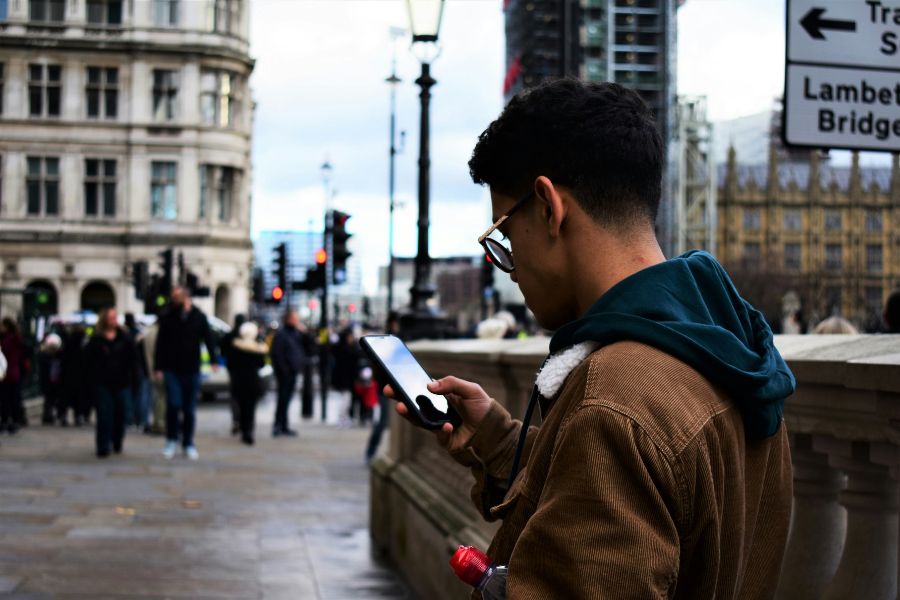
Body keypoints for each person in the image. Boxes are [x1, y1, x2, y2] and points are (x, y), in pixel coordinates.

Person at [388, 80, 796, 597]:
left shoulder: (617, 398)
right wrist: (496, 441)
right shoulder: (729, 348)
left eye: (506, 238)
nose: (510, 269)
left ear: (548, 206)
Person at [154, 286, 218, 460]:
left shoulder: (198, 316)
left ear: (186, 298)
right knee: (174, 405)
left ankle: (188, 442)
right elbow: (161, 343)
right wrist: (158, 367)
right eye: (173, 297)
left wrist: (213, 359)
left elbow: (208, 338)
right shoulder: (168, 316)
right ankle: (171, 440)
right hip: (172, 369)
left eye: (177, 297)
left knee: (189, 409)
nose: (174, 299)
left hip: (191, 369)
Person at [85, 308, 139, 458]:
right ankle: (103, 444)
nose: (113, 321)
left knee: (120, 414)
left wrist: (134, 379)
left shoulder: (125, 338)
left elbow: (133, 360)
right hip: (102, 382)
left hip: (122, 381)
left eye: (115, 318)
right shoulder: (96, 339)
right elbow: (88, 361)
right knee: (104, 414)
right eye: (110, 318)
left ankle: (117, 440)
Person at [228, 321, 268, 445]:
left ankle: (243, 428)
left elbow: (230, 364)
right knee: (250, 409)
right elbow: (262, 364)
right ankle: (248, 431)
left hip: (239, 381)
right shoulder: (258, 348)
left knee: (242, 407)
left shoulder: (235, 347)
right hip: (252, 382)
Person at [269, 310, 306, 437]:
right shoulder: (282, 335)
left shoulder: (296, 334)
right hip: (285, 373)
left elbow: (308, 346)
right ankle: (278, 425)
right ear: (289, 319)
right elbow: (276, 354)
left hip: (293, 372)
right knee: (282, 399)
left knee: (287, 399)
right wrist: (284, 369)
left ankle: (284, 425)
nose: (297, 321)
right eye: (295, 318)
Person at [219, 313, 246, 436]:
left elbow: (222, 350)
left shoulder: (229, 335)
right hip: (245, 371)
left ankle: (236, 420)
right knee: (244, 396)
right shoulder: (246, 336)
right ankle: (243, 420)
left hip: (233, 369)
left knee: (235, 395)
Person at [0, 318, 26, 434]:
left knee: (6, 399)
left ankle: (8, 421)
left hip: (7, 373)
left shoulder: (8, 340)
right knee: (13, 398)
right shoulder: (16, 339)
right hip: (14, 373)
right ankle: (14, 421)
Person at [38, 333, 64, 425]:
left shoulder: (51, 356)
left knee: (50, 399)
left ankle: (49, 415)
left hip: (51, 381)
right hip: (50, 381)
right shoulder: (47, 356)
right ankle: (48, 415)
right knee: (50, 399)